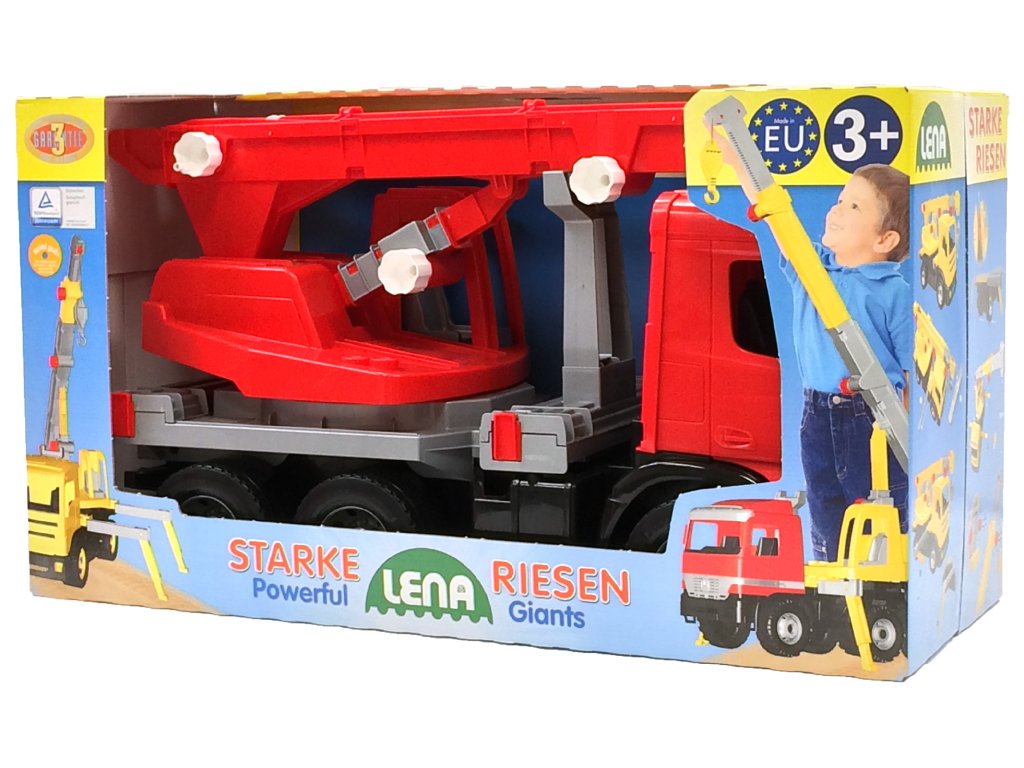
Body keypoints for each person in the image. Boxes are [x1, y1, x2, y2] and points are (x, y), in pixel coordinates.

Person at [781, 163, 912, 560]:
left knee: (879, 507)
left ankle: (885, 579)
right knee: (824, 506)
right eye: (840, 200)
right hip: (816, 412)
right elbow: (779, 223)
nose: (836, 209)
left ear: (885, 239)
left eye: (854, 206)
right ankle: (831, 575)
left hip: (870, 416)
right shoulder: (812, 270)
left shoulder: (893, 292)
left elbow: (912, 371)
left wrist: (908, 434)